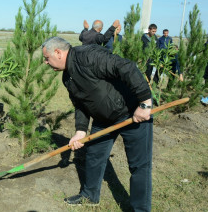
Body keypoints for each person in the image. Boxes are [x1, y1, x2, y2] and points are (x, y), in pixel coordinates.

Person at [42, 37, 153, 211]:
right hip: (103, 120)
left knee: (139, 165)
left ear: (58, 52)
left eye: (46, 58)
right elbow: (80, 104)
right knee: (94, 156)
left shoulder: (88, 56)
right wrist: (80, 131)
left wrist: (144, 103)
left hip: (133, 113)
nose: (45, 62)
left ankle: (140, 209)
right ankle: (90, 195)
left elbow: (126, 67)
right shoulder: (67, 78)